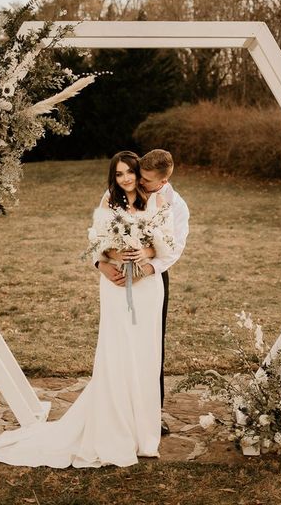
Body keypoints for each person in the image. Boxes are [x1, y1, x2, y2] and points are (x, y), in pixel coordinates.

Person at [0, 151, 173, 468]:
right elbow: (96, 244)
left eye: (129, 172)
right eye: (119, 174)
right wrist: (107, 262)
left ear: (138, 173)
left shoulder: (156, 201)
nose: (126, 179)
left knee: (145, 356)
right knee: (116, 353)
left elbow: (166, 244)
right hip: (117, 284)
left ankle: (144, 435)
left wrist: (141, 251)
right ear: (113, 178)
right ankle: (114, 430)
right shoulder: (108, 202)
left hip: (147, 286)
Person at [98, 149, 189, 434]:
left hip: (151, 279)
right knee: (118, 344)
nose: (138, 182)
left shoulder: (175, 205)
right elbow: (96, 236)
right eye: (137, 175)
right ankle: (116, 411)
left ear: (162, 180)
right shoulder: (117, 195)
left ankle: (150, 413)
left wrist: (146, 267)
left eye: (145, 180)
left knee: (150, 346)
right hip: (116, 278)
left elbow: (175, 247)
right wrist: (101, 262)